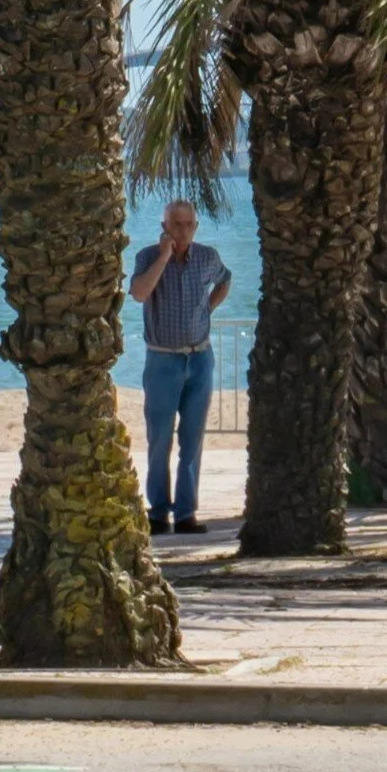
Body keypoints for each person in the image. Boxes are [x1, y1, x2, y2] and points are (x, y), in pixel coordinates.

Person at [129, 199, 232, 536]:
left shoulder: (207, 257)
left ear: (196, 227)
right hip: (162, 360)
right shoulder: (147, 257)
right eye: (176, 224)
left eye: (188, 224)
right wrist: (163, 256)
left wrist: (208, 310)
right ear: (165, 227)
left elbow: (224, 280)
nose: (183, 230)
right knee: (159, 439)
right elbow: (139, 294)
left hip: (199, 359)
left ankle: (186, 513)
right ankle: (158, 513)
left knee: (193, 439)